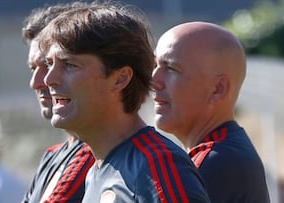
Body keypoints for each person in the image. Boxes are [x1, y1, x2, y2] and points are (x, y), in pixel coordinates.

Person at [39, 3, 210, 202]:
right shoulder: (97, 170)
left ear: (120, 78)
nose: (49, 79)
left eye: (69, 65)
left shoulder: (157, 165)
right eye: (50, 64)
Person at [151, 21, 270, 203]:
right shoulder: (225, 153)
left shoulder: (217, 162)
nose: (154, 80)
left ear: (218, 89)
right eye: (155, 66)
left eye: (171, 68)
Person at [21, 2, 95, 203]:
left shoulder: (105, 155)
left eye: (48, 65)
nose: (37, 82)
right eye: (32, 69)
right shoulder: (52, 156)